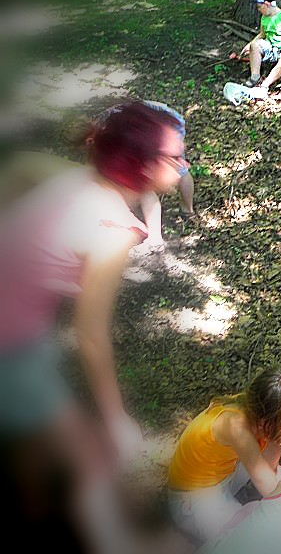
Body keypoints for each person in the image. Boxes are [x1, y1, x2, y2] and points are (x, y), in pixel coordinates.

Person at [0, 101, 188, 553]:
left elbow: (20, 168)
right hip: (10, 345)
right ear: (144, 167)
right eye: (175, 158)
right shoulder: (114, 229)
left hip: (21, 332)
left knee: (33, 444)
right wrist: (116, 419)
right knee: (91, 460)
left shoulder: (78, 176)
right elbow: (90, 334)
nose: (183, 165)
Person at [166, 368, 281, 543]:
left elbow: (270, 467)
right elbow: (270, 489)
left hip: (225, 475)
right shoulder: (236, 426)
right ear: (265, 423)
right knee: (252, 541)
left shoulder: (259, 406)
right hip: (193, 501)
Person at [94, 100, 196, 248]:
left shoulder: (110, 130)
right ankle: (186, 212)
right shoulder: (113, 126)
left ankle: (181, 216)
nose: (186, 163)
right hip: (163, 122)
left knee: (173, 174)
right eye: (174, 158)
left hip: (162, 124)